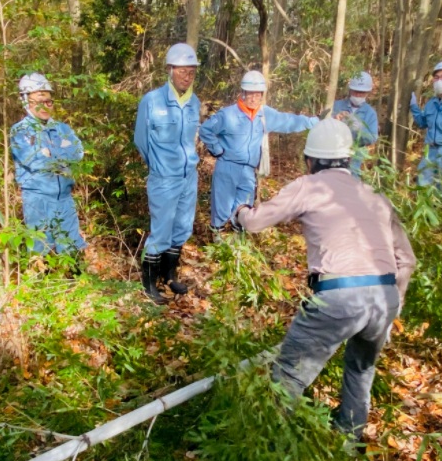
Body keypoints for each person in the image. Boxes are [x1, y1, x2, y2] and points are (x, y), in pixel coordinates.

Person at [234, 118, 416, 442]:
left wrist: (241, 213)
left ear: (310, 160)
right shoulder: (374, 195)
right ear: (348, 159)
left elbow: (256, 222)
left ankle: (270, 449)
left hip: (340, 296)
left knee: (287, 375)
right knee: (361, 371)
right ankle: (348, 444)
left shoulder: (309, 186)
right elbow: (407, 260)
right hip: (384, 296)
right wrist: (393, 306)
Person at [199, 70, 319, 233]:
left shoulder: (264, 115)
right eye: (250, 94)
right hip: (227, 166)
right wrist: (217, 150)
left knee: (243, 211)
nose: (254, 98)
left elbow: (288, 121)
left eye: (258, 94)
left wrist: (314, 122)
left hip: (249, 170)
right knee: (221, 208)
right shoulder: (228, 115)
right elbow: (206, 129)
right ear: (243, 93)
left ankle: (237, 249)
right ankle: (217, 243)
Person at [134, 43, 201, 304]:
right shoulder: (152, 101)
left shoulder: (194, 102)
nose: (187, 75)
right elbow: (141, 140)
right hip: (164, 178)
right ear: (170, 70)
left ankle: (169, 275)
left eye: (192, 71)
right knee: (160, 231)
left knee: (182, 227)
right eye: (183, 70)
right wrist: (160, 167)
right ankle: (149, 283)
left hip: (188, 177)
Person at [10, 73, 87, 257]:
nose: (44, 106)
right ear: (25, 101)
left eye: (48, 102)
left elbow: (77, 153)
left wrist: (49, 152)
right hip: (38, 200)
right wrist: (60, 151)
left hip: (65, 199)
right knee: (40, 252)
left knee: (72, 251)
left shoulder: (62, 128)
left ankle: (73, 284)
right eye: (38, 101)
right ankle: (43, 284)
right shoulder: (20, 130)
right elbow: (35, 161)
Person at [332, 71, 379, 176]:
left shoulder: (370, 113)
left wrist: (358, 128)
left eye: (361, 93)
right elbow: (323, 126)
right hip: (332, 155)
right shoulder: (337, 106)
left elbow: (372, 138)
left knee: (351, 184)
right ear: (350, 90)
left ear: (368, 92)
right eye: (355, 91)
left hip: (354, 159)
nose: (358, 95)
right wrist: (334, 120)